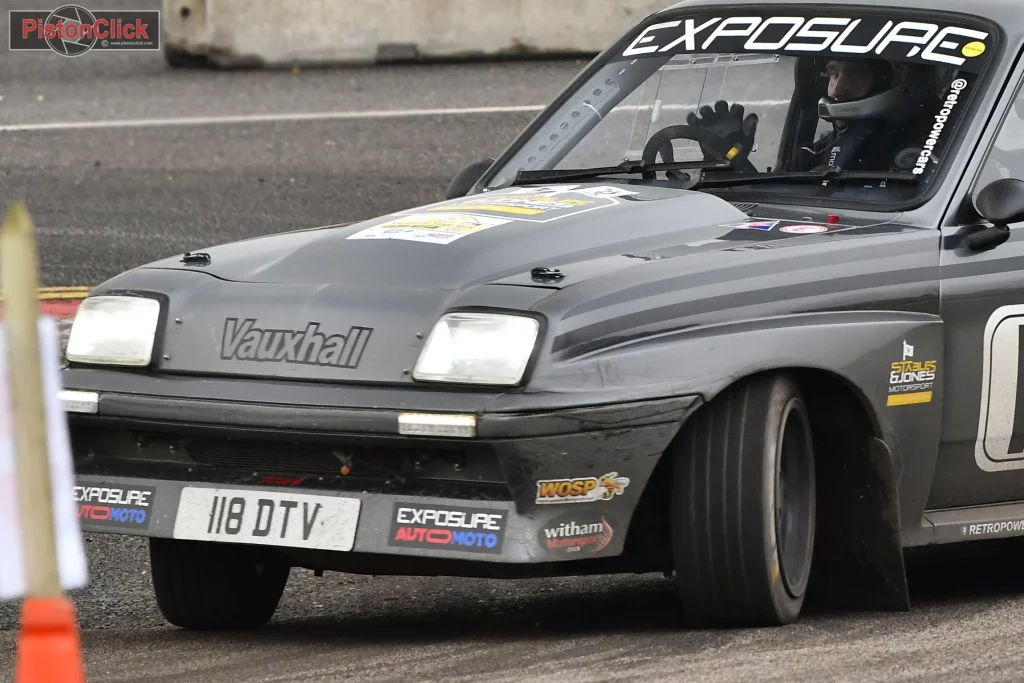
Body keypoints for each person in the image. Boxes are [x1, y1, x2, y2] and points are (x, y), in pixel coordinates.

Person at [685, 57, 931, 173]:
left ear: (891, 81)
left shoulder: (927, 148)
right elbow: (785, 202)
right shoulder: (822, 149)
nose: (837, 89)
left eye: (855, 75)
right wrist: (731, 161)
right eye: (834, 73)